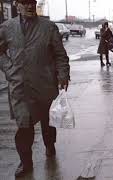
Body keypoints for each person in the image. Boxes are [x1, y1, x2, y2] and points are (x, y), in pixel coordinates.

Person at [0, 0, 70, 177]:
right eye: (25, 2)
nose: (30, 6)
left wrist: (62, 75)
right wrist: (9, 69)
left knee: (48, 122)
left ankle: (49, 144)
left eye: (32, 2)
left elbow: (60, 55)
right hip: (20, 87)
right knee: (24, 125)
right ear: (17, 4)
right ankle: (26, 162)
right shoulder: (7, 27)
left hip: (45, 84)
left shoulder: (49, 27)